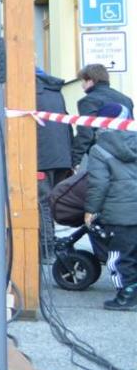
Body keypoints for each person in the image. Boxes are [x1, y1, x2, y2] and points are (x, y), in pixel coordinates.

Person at [83, 103, 137, 311]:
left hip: (120, 214)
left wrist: (90, 210)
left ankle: (127, 295)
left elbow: (99, 184)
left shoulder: (99, 149)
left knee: (120, 257)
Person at [34, 67, 72, 249]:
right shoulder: (55, 91)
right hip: (61, 157)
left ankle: (47, 249)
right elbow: (67, 123)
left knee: (42, 204)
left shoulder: (30, 90)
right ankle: (51, 244)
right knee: (50, 202)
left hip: (41, 158)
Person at [71, 63, 134, 167]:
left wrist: (76, 160)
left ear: (90, 81)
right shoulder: (126, 99)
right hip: (127, 154)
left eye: (83, 81)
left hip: (101, 157)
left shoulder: (88, 101)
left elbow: (86, 133)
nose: (82, 85)